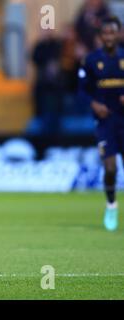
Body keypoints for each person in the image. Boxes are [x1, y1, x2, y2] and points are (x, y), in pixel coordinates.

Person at [79, 16, 124, 231]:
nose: (108, 37)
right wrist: (94, 104)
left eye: (112, 33)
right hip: (105, 121)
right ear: (100, 36)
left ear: (119, 34)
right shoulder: (91, 60)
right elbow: (81, 90)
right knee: (110, 167)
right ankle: (111, 204)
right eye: (105, 33)